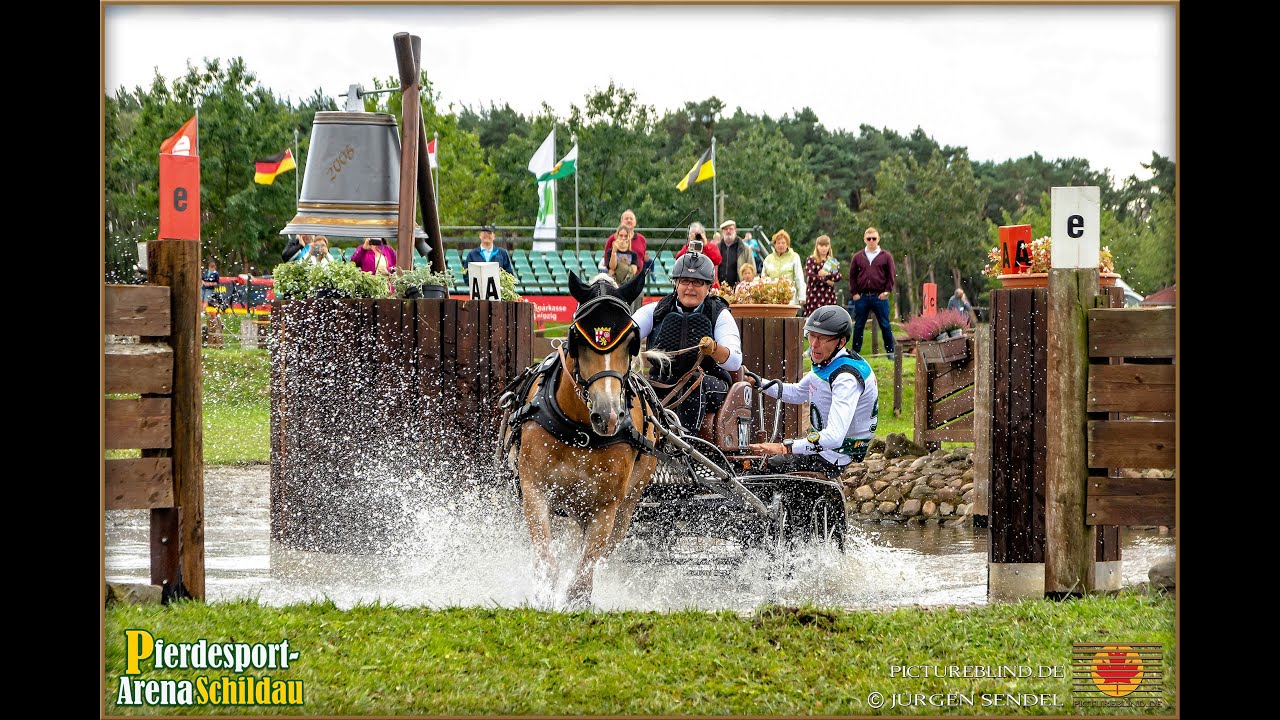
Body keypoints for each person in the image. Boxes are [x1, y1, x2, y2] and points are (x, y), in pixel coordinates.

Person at [748, 305, 878, 477]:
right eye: (812, 335)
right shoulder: (829, 362)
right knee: (753, 464)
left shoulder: (845, 379)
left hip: (832, 457)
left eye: (822, 338)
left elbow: (834, 438)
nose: (814, 345)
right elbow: (797, 393)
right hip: (823, 449)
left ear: (841, 342)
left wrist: (785, 447)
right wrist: (757, 382)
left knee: (760, 472)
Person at [633, 252, 742, 431]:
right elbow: (628, 332)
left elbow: (734, 362)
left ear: (708, 286)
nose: (690, 287)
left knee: (693, 382)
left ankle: (686, 443)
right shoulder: (655, 310)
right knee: (634, 384)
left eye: (697, 282)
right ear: (676, 283)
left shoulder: (719, 314)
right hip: (662, 381)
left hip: (710, 384)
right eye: (684, 281)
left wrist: (714, 349)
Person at [847, 226, 896, 357]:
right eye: (869, 238)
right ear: (864, 239)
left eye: (874, 238)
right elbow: (852, 276)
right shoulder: (858, 257)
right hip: (862, 297)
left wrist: (887, 291)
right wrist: (854, 293)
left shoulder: (886, 257)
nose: (871, 241)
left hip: (879, 296)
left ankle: (891, 352)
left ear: (878, 239)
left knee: (885, 325)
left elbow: (891, 275)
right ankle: (855, 353)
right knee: (859, 326)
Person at [761, 229, 806, 306]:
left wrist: (802, 297)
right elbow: (763, 278)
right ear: (774, 244)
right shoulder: (768, 259)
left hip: (790, 299)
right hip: (772, 299)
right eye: (778, 243)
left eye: (783, 243)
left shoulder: (794, 257)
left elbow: (799, 278)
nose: (780, 245)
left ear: (787, 244)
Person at [605, 225, 643, 310]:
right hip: (614, 286)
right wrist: (614, 252)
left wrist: (621, 267)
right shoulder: (610, 252)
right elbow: (612, 267)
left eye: (625, 236)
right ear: (617, 236)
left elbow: (633, 271)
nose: (623, 238)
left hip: (627, 286)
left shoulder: (633, 254)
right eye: (621, 235)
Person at [803, 234, 841, 317]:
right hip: (814, 296)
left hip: (828, 296)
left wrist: (827, 274)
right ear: (817, 246)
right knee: (813, 319)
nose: (824, 248)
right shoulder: (811, 259)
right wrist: (827, 281)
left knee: (829, 319)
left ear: (829, 246)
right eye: (821, 246)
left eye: (826, 246)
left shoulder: (832, 261)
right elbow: (811, 276)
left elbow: (838, 276)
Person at [716, 219, 756, 288]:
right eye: (726, 229)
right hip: (719, 288)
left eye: (731, 229)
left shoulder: (745, 249)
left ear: (735, 230)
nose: (728, 231)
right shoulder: (716, 248)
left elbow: (752, 269)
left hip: (740, 289)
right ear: (722, 232)